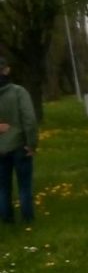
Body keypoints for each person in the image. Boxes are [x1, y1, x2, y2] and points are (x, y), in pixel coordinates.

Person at [0, 56, 38, 224]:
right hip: (19, 145)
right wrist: (32, 144)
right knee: (24, 186)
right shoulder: (18, 92)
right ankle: (28, 220)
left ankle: (7, 220)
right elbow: (29, 120)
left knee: (2, 188)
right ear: (6, 70)